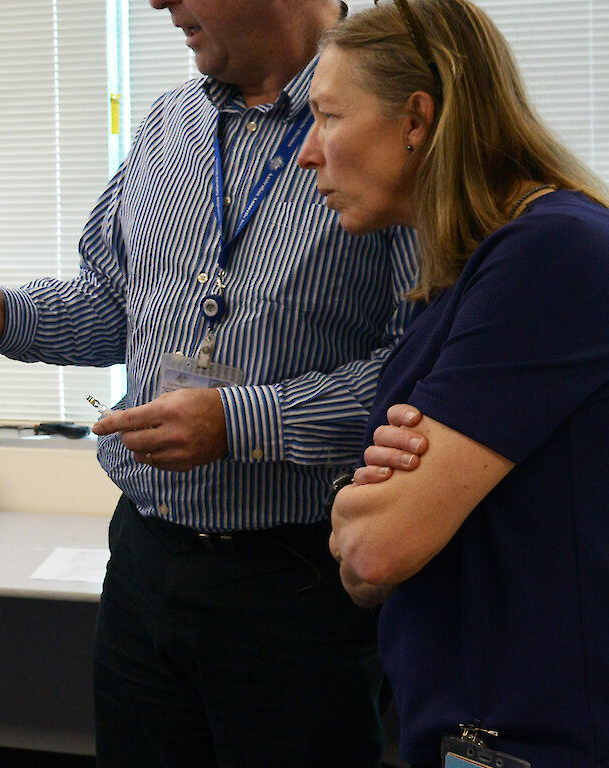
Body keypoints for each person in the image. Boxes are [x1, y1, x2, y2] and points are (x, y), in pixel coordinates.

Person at [0, 0, 416, 762]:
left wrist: (241, 421)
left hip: (297, 581)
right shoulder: (169, 124)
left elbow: (418, 370)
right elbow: (113, 303)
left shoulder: (390, 124)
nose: (156, 3)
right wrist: (8, 317)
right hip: (144, 561)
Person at [294, 0, 609, 763]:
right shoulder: (473, 267)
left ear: (416, 119)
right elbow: (368, 571)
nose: (308, 153)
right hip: (469, 716)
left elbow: (372, 553)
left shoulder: (552, 255)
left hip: (534, 733)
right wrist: (372, 513)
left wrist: (354, 505)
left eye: (329, 117)